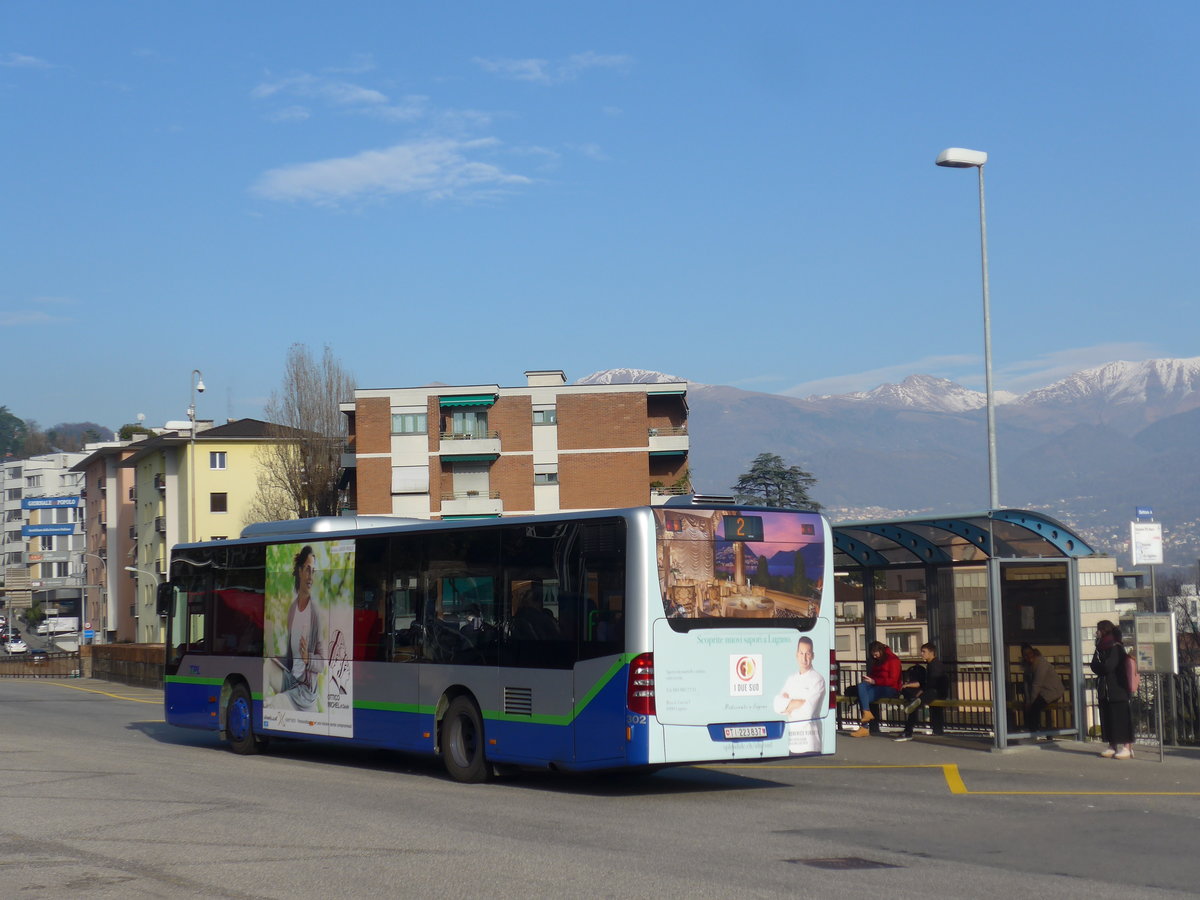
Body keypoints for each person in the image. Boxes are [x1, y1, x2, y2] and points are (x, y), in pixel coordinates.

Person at [268, 545, 325, 711]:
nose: (310, 577)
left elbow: (322, 664)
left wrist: (308, 658)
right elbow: (292, 659)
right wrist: (276, 657)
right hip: (291, 680)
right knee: (266, 665)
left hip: (305, 689)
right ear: (300, 571)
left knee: (276, 703)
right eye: (308, 569)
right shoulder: (292, 609)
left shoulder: (315, 614)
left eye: (313, 571)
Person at [772, 636, 827, 754]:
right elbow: (777, 705)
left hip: (810, 743)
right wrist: (797, 703)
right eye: (801, 653)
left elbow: (807, 712)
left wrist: (787, 707)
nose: (804, 658)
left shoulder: (817, 679)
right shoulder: (791, 679)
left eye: (807, 654)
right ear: (796, 655)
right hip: (793, 743)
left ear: (813, 655)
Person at [1090, 620, 1134, 759]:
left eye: (1099, 629)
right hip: (1105, 689)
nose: (1097, 632)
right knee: (1108, 717)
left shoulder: (1116, 646)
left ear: (1104, 630)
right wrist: (1101, 667)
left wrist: (1101, 667)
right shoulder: (1100, 647)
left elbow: (1109, 666)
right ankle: (1112, 744)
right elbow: (1094, 665)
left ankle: (1127, 746)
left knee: (1120, 717)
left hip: (1117, 688)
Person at [894, 642, 949, 742]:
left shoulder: (935, 665)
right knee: (914, 702)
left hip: (936, 693)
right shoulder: (931, 664)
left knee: (914, 706)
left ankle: (908, 731)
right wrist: (909, 685)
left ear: (931, 652)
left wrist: (921, 692)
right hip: (932, 692)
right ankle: (936, 730)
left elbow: (933, 684)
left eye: (924, 652)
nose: (922, 654)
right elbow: (924, 683)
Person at [847, 641, 902, 737]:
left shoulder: (893, 660)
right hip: (878, 685)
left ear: (881, 651)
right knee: (861, 686)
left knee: (863, 696)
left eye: (876, 654)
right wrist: (869, 680)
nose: (875, 656)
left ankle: (864, 727)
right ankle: (866, 713)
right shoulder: (878, 660)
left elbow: (893, 680)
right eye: (873, 655)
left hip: (891, 688)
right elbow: (874, 675)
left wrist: (874, 681)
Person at [1021, 644, 1065, 741]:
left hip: (1053, 691)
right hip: (1041, 692)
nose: (1028, 656)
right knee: (1026, 705)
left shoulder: (1041, 664)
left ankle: (1034, 732)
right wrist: (1028, 700)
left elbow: (1037, 684)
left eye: (1030, 653)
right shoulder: (1027, 667)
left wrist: (1030, 702)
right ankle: (1031, 730)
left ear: (1034, 653)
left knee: (1034, 706)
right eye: (1025, 655)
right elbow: (1026, 685)